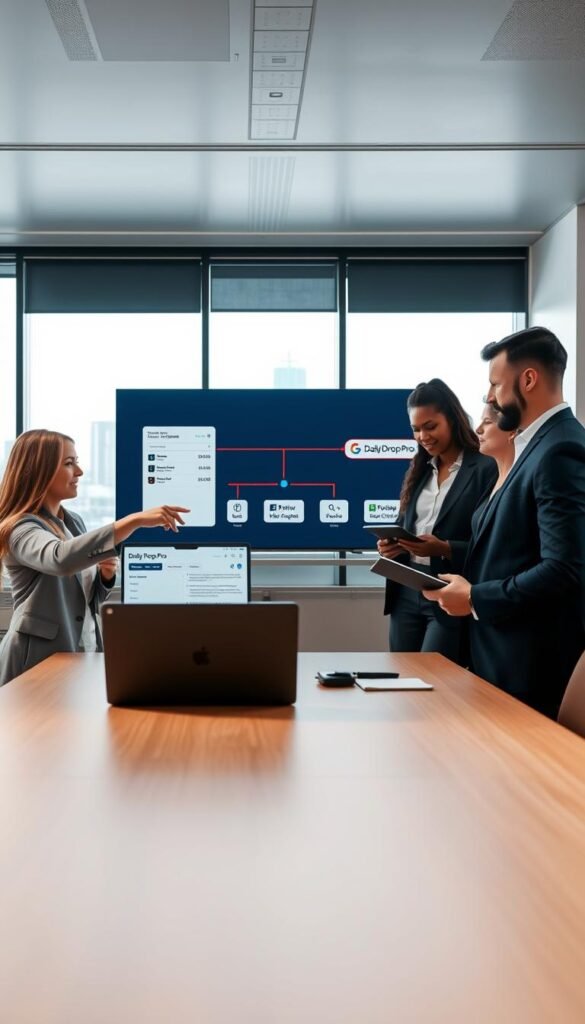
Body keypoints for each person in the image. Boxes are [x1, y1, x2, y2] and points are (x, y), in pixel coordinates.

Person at [423, 326, 585, 718]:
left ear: (528, 379)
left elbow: (564, 568)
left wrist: (476, 597)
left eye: (496, 384)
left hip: (531, 668)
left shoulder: (559, 450)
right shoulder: (537, 447)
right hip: (503, 658)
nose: (491, 397)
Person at [0, 429, 189, 685]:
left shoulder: (73, 522)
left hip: (81, 649)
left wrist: (105, 578)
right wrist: (133, 521)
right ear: (39, 470)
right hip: (35, 661)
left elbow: (83, 599)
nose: (79, 472)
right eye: (69, 463)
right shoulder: (20, 528)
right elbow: (59, 559)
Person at [377, 379, 497, 662]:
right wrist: (392, 546)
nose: (423, 436)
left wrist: (443, 547)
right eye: (416, 430)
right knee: (401, 678)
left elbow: (491, 544)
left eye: (430, 426)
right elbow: (407, 525)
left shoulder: (485, 468)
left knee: (435, 683)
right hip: (406, 592)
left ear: (453, 419)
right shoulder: (419, 470)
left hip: (447, 593)